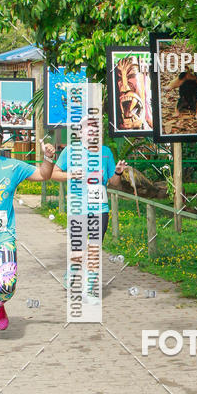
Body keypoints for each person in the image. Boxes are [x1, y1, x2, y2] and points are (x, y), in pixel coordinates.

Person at [51, 118, 127, 287]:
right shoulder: (70, 151)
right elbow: (54, 173)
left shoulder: (106, 152)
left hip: (100, 208)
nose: (92, 130)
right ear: (80, 132)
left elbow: (113, 183)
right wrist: (71, 175)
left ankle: (90, 283)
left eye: (95, 127)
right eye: (88, 127)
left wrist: (118, 172)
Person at [0, 124, 56, 330]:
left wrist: (48, 158)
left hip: (3, 236)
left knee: (7, 286)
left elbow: (43, 175)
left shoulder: (11, 167)